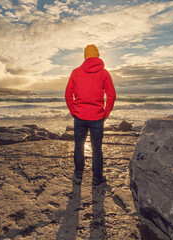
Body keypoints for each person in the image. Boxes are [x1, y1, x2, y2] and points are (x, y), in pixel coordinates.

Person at [65, 44, 116, 186]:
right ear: (97, 55)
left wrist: (73, 111)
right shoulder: (104, 73)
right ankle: (97, 178)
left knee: (78, 146)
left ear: (85, 56)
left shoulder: (76, 72)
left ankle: (78, 176)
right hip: (97, 118)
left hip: (80, 117)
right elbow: (112, 96)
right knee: (97, 148)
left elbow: (68, 94)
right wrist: (106, 113)